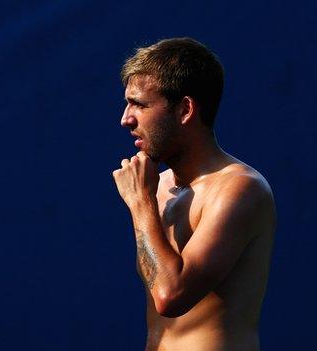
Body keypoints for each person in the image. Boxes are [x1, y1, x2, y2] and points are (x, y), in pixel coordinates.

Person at [112, 37, 276, 350]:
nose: (126, 119)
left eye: (140, 104)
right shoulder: (157, 187)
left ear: (186, 109)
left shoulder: (239, 189)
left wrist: (139, 203)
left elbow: (171, 296)